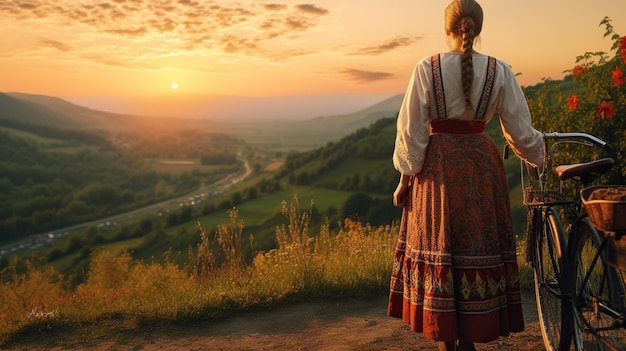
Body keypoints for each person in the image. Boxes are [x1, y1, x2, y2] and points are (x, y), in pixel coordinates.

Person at [387, 1, 545, 350]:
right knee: (475, 246)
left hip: (437, 169)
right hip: (481, 168)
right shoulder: (499, 70)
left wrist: (405, 179)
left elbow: (411, 132)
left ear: (448, 29)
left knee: (441, 244)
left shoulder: (426, 68)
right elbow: (519, 130)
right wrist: (539, 156)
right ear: (477, 28)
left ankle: (446, 332)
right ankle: (472, 332)